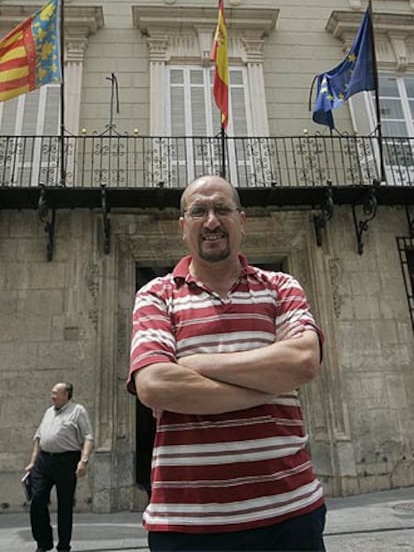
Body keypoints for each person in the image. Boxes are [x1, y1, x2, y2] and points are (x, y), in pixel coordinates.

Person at [127, 175, 326, 551]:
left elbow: (302, 361)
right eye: (199, 211)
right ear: (183, 227)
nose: (212, 221)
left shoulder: (281, 286)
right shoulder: (155, 294)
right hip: (186, 526)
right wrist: (270, 383)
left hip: (291, 514)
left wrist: (195, 362)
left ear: (243, 221)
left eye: (222, 209)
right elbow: (154, 385)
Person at [25, 382, 94, 552]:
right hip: (44, 461)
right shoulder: (49, 412)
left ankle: (63, 546)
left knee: (64, 505)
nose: (52, 396)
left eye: (56, 393)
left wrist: (83, 461)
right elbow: (39, 438)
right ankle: (43, 543)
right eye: (52, 393)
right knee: (37, 500)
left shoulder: (78, 411)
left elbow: (88, 437)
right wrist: (33, 462)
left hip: (67, 461)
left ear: (67, 395)